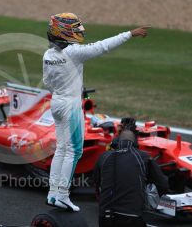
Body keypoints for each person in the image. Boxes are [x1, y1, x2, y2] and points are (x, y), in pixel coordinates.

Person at [43, 12, 150, 211]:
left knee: (61, 149)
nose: (78, 32)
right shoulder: (73, 53)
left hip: (56, 103)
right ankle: (63, 195)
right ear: (64, 32)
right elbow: (103, 46)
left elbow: (47, 82)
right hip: (70, 106)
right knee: (74, 151)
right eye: (74, 29)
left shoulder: (48, 55)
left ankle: (52, 194)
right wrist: (129, 33)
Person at [93, 118, 169, 227]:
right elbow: (163, 184)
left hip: (106, 216)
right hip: (133, 216)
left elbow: (96, 181)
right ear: (135, 142)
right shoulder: (144, 157)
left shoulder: (104, 157)